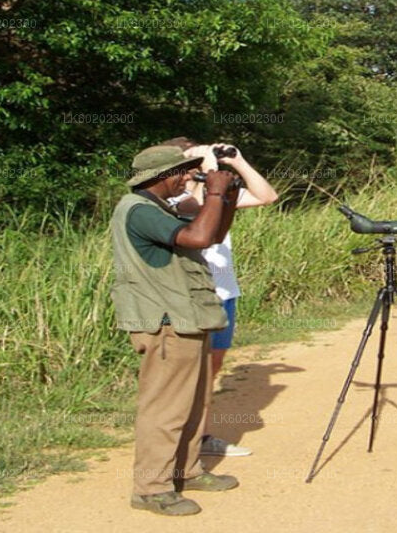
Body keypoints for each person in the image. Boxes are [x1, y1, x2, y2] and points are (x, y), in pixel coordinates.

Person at [110, 144, 242, 516]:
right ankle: (151, 489)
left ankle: (186, 469)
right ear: (163, 175)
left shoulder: (159, 210)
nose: (188, 177)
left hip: (188, 318)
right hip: (166, 323)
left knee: (193, 402)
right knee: (165, 409)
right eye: (183, 171)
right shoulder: (138, 210)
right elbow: (197, 238)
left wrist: (226, 196)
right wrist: (213, 190)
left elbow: (211, 235)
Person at [161, 138, 278, 457]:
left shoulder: (217, 190)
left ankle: (201, 435)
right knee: (188, 375)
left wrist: (237, 161)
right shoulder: (168, 197)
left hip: (225, 294)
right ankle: (176, 443)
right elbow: (196, 213)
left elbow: (267, 196)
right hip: (193, 298)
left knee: (210, 374)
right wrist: (206, 171)